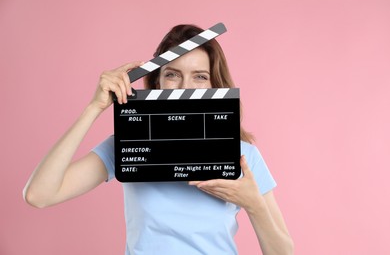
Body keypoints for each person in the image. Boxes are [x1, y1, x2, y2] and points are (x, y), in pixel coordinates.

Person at [23, 24, 294, 254]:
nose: (185, 87)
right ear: (157, 83)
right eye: (173, 75)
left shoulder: (244, 156)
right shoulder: (128, 143)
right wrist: (93, 108)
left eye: (199, 77)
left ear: (214, 85)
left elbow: (283, 251)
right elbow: (39, 195)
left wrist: (254, 204)